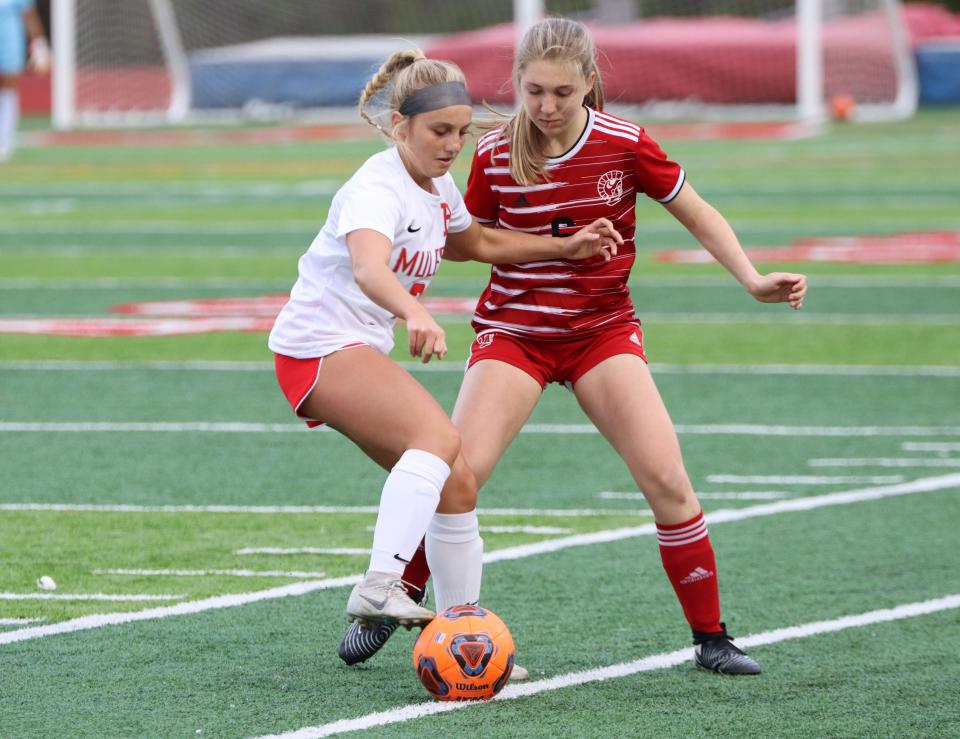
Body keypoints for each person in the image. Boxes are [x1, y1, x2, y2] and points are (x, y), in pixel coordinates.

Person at [338, 18, 808, 675]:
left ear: (590, 83)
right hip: (516, 334)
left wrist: (753, 277)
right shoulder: (496, 152)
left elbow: (697, 210)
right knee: (454, 474)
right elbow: (470, 237)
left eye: (563, 91)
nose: (547, 106)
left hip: (602, 333)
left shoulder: (625, 144)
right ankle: (403, 594)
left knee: (668, 479)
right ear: (518, 85)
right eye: (533, 91)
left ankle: (713, 638)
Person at [268, 49, 621, 643]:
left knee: (456, 484)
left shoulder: (435, 185)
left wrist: (564, 248)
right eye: (439, 131)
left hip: (350, 347)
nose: (453, 143)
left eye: (462, 131)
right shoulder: (376, 188)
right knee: (439, 438)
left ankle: (464, 636)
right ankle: (381, 584)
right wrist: (414, 312)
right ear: (398, 126)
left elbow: (476, 241)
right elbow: (367, 267)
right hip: (317, 349)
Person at [0, 0, 50, 161]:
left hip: (9, 40)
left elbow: (28, 14)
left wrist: (39, 45)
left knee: (9, 85)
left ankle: (4, 140)